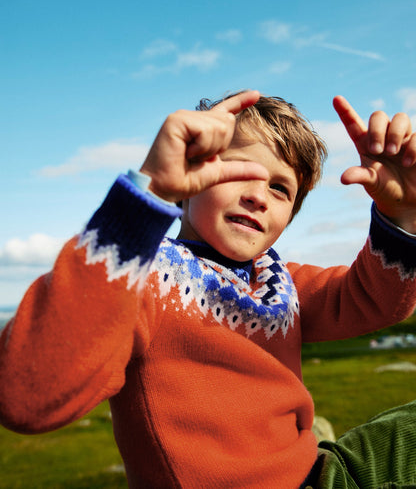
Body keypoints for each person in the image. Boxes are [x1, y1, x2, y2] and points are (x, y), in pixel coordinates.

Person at [0, 90, 415, 488]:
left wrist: (403, 216)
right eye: (239, 172)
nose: (258, 196)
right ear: (190, 179)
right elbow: (26, 397)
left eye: (280, 188)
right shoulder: (144, 278)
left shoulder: (279, 281)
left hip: (318, 470)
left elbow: (370, 300)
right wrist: (147, 196)